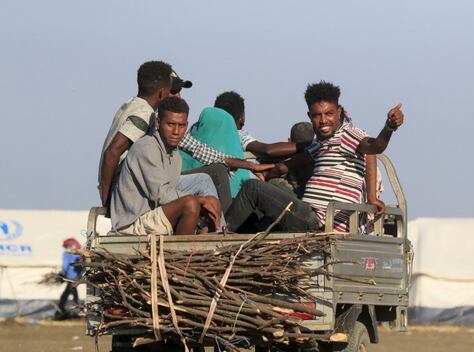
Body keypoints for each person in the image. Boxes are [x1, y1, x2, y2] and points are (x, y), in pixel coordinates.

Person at [224, 81, 403, 233]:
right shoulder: (320, 145)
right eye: (317, 115)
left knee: (252, 188)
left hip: (320, 223)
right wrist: (267, 174)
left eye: (329, 114)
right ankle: (236, 237)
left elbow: (375, 147)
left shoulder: (348, 135)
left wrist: (389, 127)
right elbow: (285, 166)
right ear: (310, 116)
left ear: (339, 112)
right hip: (307, 215)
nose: (323, 120)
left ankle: (218, 239)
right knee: (265, 197)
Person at [99, 62, 220, 212]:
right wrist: (107, 199)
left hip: (134, 182)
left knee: (200, 180)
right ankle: (219, 232)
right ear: (163, 93)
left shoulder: (132, 105)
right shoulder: (143, 114)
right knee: (203, 182)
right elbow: (112, 152)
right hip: (130, 188)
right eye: (172, 90)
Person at [110, 96, 221, 235]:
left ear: (186, 125)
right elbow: (162, 195)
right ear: (158, 123)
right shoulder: (146, 148)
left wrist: (206, 201)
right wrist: (201, 200)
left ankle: (204, 247)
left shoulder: (175, 155)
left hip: (154, 215)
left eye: (181, 126)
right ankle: (183, 254)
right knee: (191, 203)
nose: (176, 132)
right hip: (133, 223)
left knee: (213, 203)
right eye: (170, 124)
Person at [55, 238, 82, 320]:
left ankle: (73, 310)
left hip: (71, 278)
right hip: (76, 277)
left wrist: (62, 275)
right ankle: (74, 310)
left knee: (69, 294)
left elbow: (65, 266)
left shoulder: (67, 254)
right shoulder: (79, 254)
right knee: (70, 293)